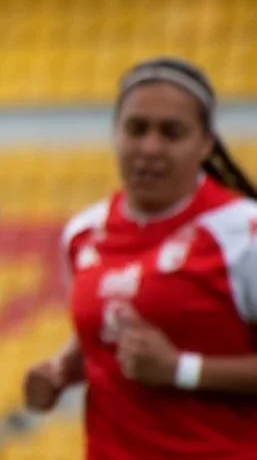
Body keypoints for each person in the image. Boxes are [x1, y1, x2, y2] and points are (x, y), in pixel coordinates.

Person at [23, 58, 257, 459]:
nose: (150, 147)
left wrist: (180, 369)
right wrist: (61, 369)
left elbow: (163, 355)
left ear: (205, 143)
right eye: (137, 129)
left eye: (171, 132)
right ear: (117, 134)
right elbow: (109, 326)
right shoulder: (83, 234)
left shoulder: (243, 233)